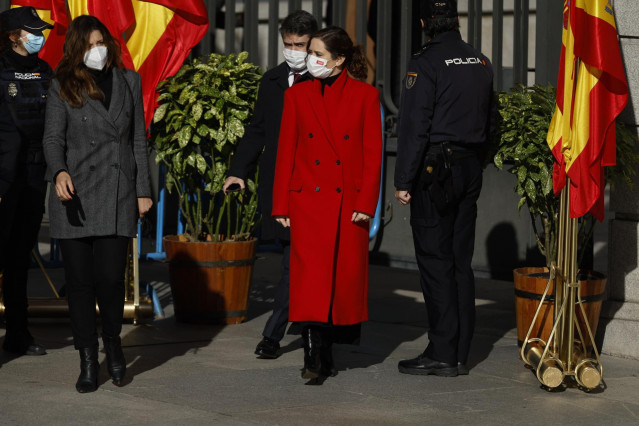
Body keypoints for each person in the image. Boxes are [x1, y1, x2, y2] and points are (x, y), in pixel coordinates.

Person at [42, 15, 152, 393]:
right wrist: (58, 172)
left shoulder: (129, 82)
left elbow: (139, 139)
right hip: (73, 197)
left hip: (118, 193)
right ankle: (88, 358)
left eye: (101, 42)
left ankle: (113, 344)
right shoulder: (61, 86)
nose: (97, 50)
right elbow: (52, 140)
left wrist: (143, 191)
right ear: (76, 49)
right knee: (80, 284)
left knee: (109, 281)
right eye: (89, 45)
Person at [272, 25, 382, 381]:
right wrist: (281, 205)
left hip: (348, 204)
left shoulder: (366, 97)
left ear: (339, 61)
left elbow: (372, 156)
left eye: (318, 54)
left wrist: (367, 202)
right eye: (311, 53)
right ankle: (312, 354)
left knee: (339, 283)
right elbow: (285, 153)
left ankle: (328, 350)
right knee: (310, 283)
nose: (311, 60)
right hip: (307, 203)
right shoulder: (297, 96)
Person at [394, 0, 494, 377]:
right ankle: (459, 351)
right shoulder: (480, 61)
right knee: (459, 262)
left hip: (435, 169)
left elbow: (414, 126)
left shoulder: (425, 62)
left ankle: (441, 351)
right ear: (456, 20)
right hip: (469, 167)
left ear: (423, 23)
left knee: (435, 263)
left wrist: (404, 181)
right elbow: (491, 119)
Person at [223, 10, 318, 360]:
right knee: (293, 259)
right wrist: (238, 171)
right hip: (280, 187)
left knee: (296, 262)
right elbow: (257, 130)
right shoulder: (273, 79)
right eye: (288, 44)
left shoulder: (323, 80)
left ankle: (273, 334)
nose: (293, 50)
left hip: (313, 188)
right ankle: (304, 321)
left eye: (300, 45)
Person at [0, 6, 54, 357]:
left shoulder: (45, 70)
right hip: (4, 179)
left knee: (20, 257)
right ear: (13, 36)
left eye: (40, 30)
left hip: (35, 176)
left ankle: (18, 334)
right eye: (31, 31)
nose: (39, 36)